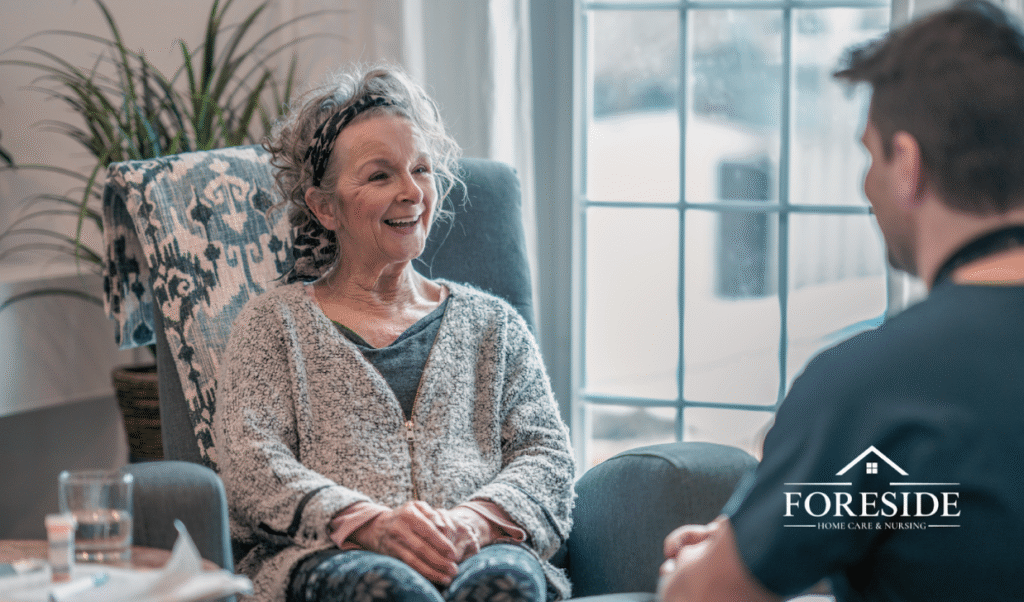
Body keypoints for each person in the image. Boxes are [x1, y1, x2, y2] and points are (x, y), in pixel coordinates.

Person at [657, 2, 1024, 601]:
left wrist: (709, 556)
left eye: (870, 155)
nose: (866, 185)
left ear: (907, 166)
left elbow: (703, 596)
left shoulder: (873, 387)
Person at [212, 65, 575, 602]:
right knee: (387, 590)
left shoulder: (493, 325)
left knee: (505, 584)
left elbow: (547, 455)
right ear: (325, 207)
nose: (411, 192)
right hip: (332, 555)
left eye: (421, 169)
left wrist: (474, 522)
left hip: (479, 550)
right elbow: (250, 464)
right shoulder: (273, 326)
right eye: (380, 176)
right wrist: (370, 524)